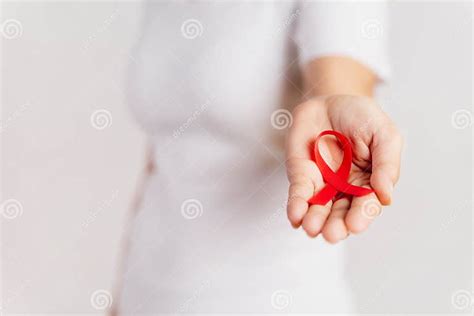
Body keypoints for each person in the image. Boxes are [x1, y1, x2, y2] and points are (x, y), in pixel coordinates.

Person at [112, 1, 402, 314]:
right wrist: (118, 298)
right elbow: (163, 159)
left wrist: (338, 100)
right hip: (145, 299)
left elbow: (341, 79)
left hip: (271, 299)